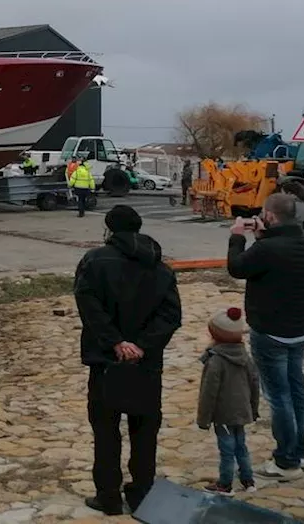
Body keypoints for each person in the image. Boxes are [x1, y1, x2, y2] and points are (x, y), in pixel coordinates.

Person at [74, 204, 183, 516]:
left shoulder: (94, 261)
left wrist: (116, 342)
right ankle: (141, 492)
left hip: (105, 361)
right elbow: (170, 315)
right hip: (147, 364)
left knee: (105, 430)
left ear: (109, 229)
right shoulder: (160, 267)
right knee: (145, 430)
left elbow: (88, 304)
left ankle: (107, 495)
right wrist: (143, 346)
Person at [227, 192, 304, 480]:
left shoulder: (267, 249)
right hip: (299, 329)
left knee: (279, 396)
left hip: (270, 331)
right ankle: (300, 450)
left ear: (269, 216)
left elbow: (237, 267)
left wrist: (237, 237)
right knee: (297, 391)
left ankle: (286, 460)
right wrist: (262, 238)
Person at [197, 306, 259, 495]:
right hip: (242, 410)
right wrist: (253, 408)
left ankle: (225, 484)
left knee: (227, 449)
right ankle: (248, 480)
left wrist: (203, 419)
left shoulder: (216, 361)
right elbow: (255, 384)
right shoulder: (246, 357)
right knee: (241, 446)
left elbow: (209, 393)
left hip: (223, 414)